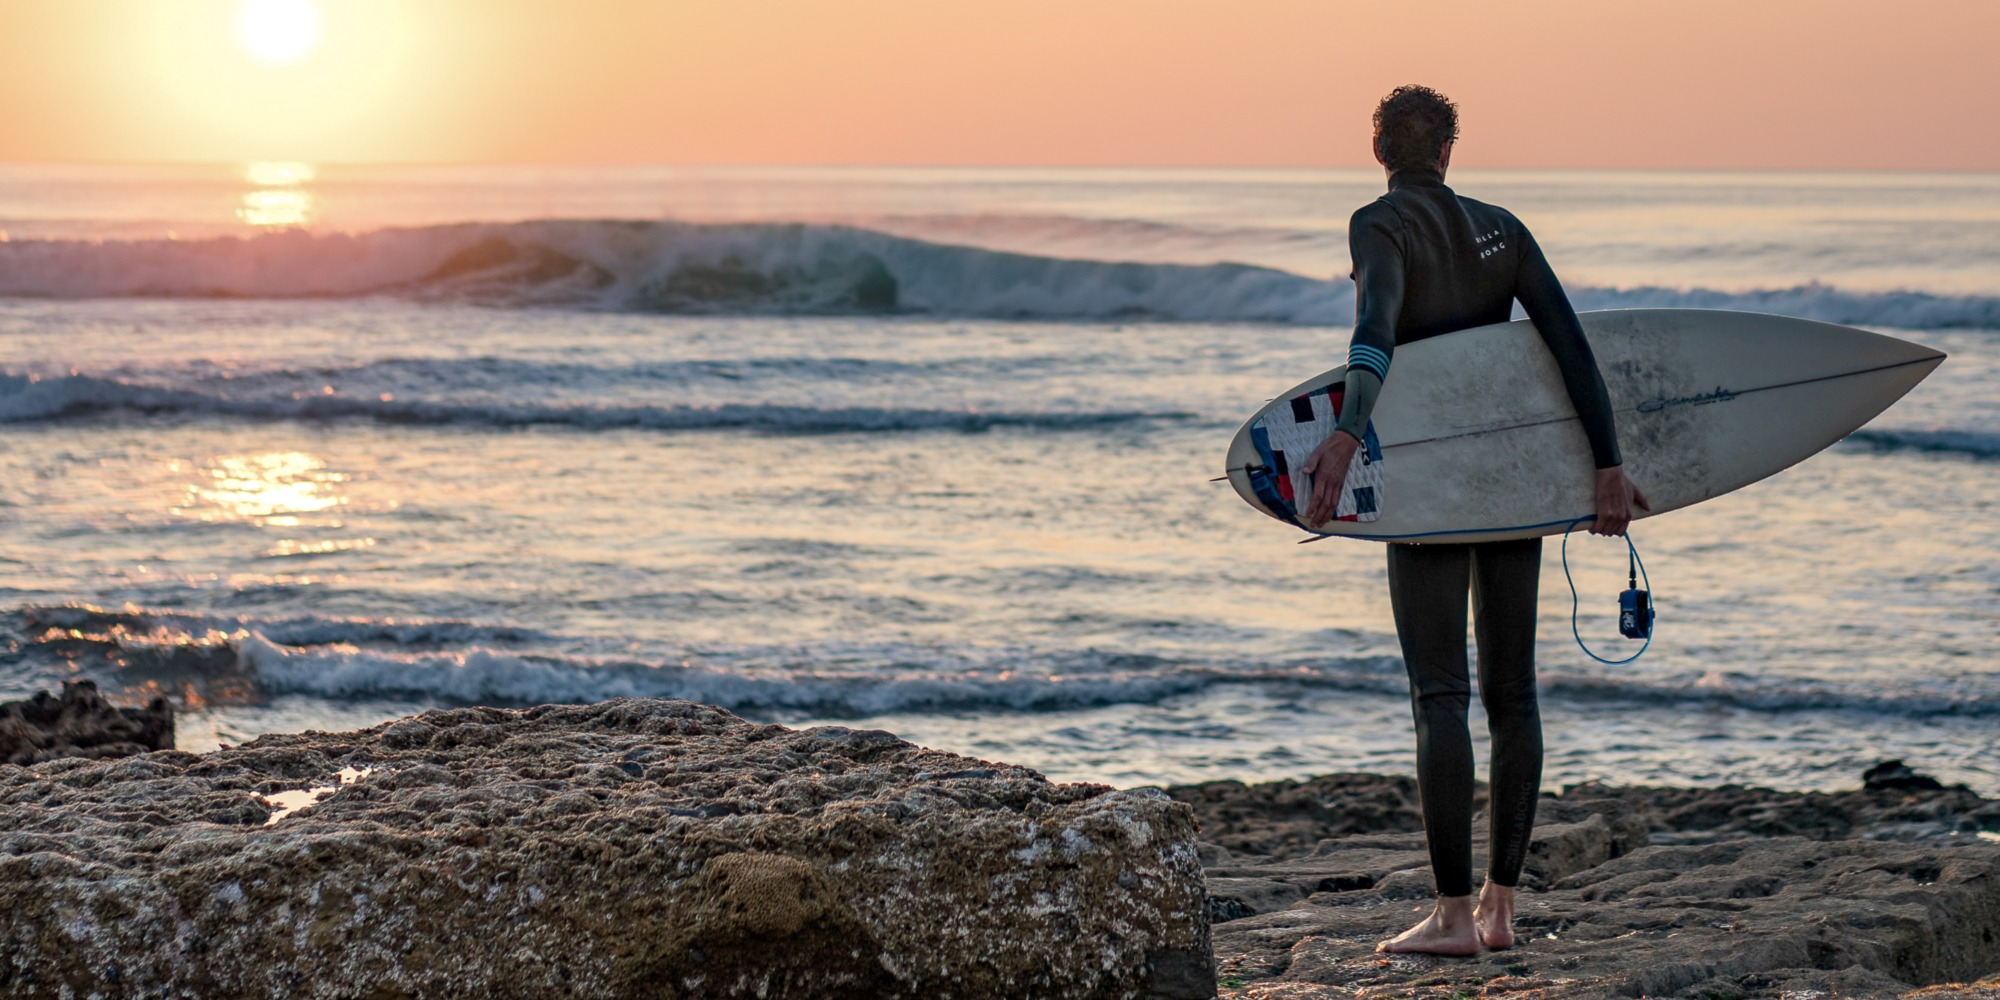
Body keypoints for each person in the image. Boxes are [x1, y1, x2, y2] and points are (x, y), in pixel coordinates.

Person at [1299, 85, 1650, 956]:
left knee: (1440, 696)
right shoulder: (1503, 227)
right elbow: (1571, 347)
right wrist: (1608, 466)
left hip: (1427, 481)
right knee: (1513, 692)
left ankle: (1453, 917)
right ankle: (1502, 910)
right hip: (1507, 482)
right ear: (1450, 149)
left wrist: (1347, 433)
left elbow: (1374, 333)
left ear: (1379, 150)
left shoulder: (1379, 224)